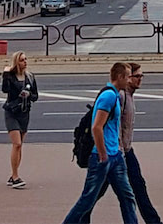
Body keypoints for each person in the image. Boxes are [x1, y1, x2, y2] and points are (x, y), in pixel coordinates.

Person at [63, 62, 138, 224]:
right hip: (102, 157)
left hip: (115, 156)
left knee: (127, 197)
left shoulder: (116, 95)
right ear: (120, 77)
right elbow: (96, 126)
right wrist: (103, 154)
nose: (130, 80)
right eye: (128, 77)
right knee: (87, 200)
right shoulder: (109, 96)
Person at [119, 62, 163, 224]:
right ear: (128, 78)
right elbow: (113, 126)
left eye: (142, 76)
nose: (140, 79)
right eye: (137, 76)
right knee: (93, 193)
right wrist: (118, 152)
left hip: (127, 151)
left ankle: (154, 222)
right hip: (115, 153)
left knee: (138, 186)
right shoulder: (120, 97)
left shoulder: (130, 96)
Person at [1, 51, 37, 189]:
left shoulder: (30, 77)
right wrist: (5, 74)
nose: (25, 62)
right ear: (17, 62)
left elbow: (36, 96)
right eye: (22, 60)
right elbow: (5, 90)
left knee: (20, 145)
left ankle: (13, 175)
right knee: (16, 143)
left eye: (26, 59)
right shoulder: (10, 76)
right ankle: (16, 176)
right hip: (12, 111)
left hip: (24, 113)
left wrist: (29, 95)